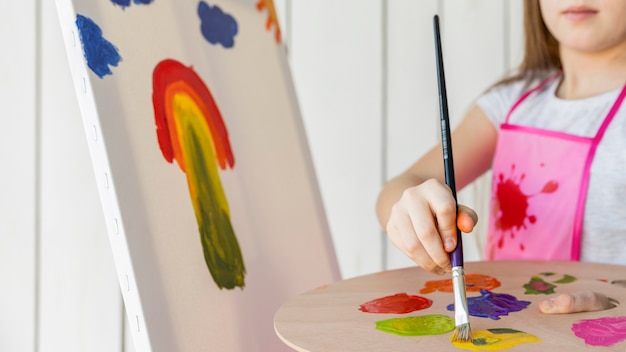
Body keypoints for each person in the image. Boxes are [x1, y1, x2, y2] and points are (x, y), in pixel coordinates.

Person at [376, 0, 626, 314]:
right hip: (511, 329)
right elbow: (396, 189)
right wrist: (411, 210)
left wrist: (618, 303)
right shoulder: (508, 104)